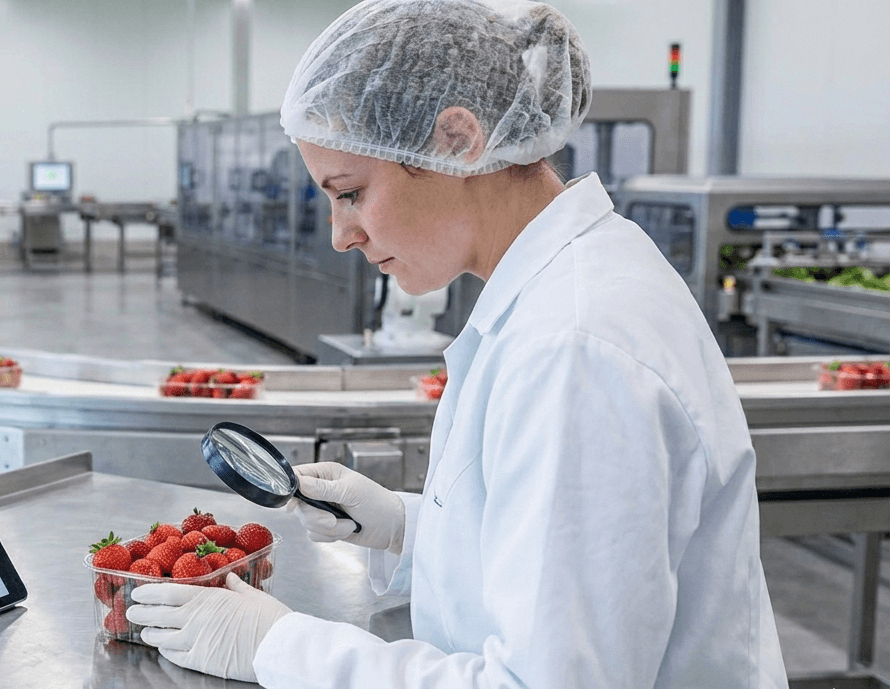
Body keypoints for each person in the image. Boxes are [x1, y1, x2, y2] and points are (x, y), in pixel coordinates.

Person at [125, 0, 791, 687]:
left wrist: (284, 647)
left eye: (350, 192)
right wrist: (407, 527)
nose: (340, 234)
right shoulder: (572, 282)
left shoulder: (574, 348)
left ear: (456, 140)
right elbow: (563, 565)